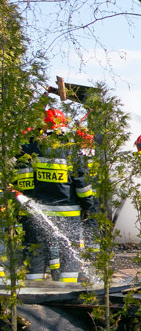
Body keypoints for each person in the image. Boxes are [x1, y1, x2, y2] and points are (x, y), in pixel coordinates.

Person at [22, 108, 94, 283]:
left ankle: (33, 289)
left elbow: (25, 181)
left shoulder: (31, 149)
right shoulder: (71, 150)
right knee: (69, 252)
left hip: (39, 210)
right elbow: (81, 182)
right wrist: (88, 205)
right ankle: (67, 288)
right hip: (68, 211)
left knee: (37, 250)